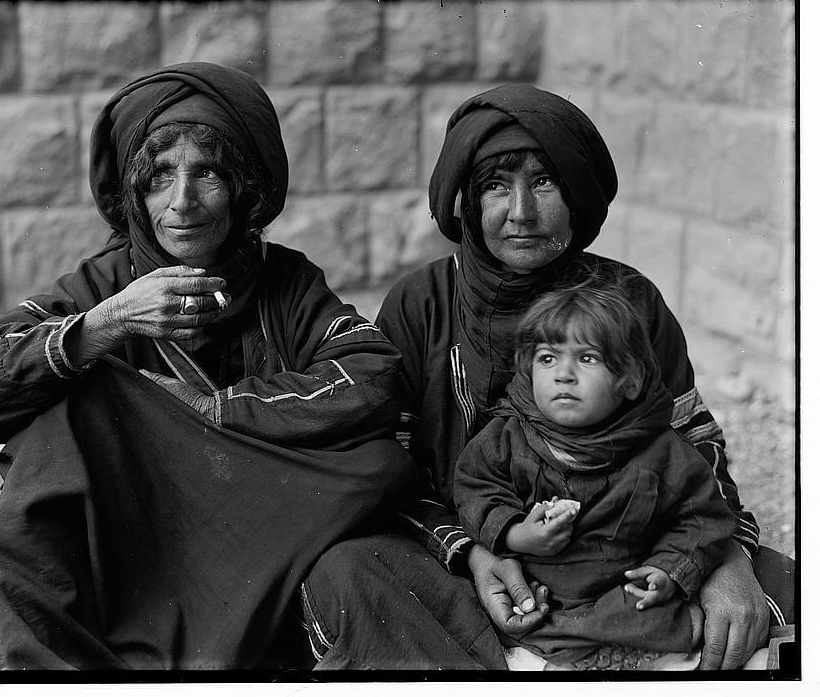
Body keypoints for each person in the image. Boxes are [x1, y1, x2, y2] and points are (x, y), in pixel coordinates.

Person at [299, 84, 793, 670]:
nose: (522, 213)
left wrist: (725, 558)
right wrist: (474, 551)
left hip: (626, 562)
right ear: (466, 202)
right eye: (495, 187)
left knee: (787, 593)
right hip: (468, 557)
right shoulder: (421, 301)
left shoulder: (628, 299)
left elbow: (692, 443)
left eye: (544, 182)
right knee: (346, 572)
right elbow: (390, 463)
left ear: (578, 193)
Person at [0, 62, 414, 669]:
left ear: (243, 190)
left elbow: (373, 373)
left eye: (208, 175)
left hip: (248, 532)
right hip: (133, 543)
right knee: (73, 409)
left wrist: (213, 409)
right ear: (136, 193)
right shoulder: (105, 283)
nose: (183, 203)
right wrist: (108, 323)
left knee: (382, 462)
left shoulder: (284, 285)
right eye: (160, 177)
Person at [454, 271, 735, 670]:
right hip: (542, 590)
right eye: (548, 358)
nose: (563, 374)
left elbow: (701, 519)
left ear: (630, 380)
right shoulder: (507, 436)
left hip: (623, 592)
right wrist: (517, 533)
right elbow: (473, 489)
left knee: (655, 617)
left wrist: (667, 570)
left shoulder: (663, 452)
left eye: (586, 358)